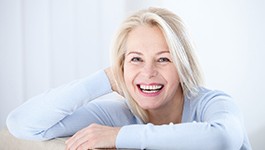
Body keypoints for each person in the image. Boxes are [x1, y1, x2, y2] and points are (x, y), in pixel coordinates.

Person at [6, 7, 251, 150]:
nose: (148, 72)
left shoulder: (213, 103)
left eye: (164, 59)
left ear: (183, 65)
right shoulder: (116, 115)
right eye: (135, 59)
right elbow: (22, 124)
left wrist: (118, 136)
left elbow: (222, 138)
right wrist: (105, 79)